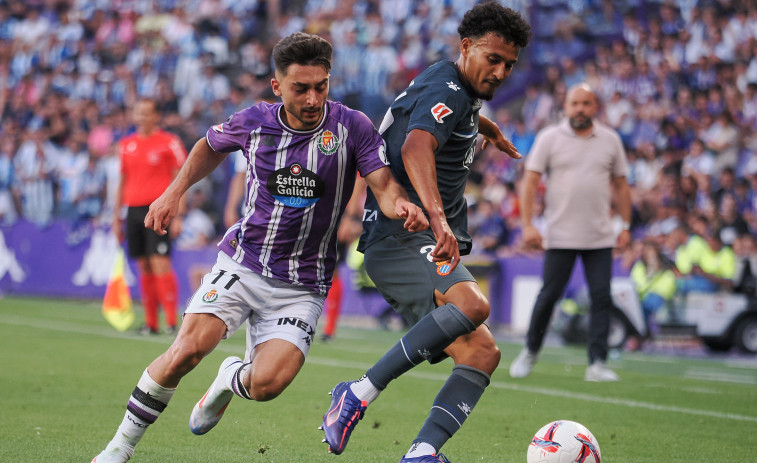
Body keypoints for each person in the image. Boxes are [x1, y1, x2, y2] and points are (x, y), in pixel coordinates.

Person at [92, 32, 428, 463]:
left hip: (304, 284)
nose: (312, 99)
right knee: (186, 351)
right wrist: (174, 192)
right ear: (277, 87)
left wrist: (401, 206)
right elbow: (208, 147)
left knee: (267, 386)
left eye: (320, 87)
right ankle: (118, 449)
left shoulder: (352, 126)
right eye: (300, 88)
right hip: (245, 262)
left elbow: (382, 185)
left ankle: (229, 377)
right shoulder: (255, 121)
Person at [320, 4, 531, 462]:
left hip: (405, 239)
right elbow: (418, 145)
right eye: (492, 59)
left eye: (509, 64)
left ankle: (421, 453)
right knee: (473, 304)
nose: (500, 72)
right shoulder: (450, 89)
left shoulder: (453, 86)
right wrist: (438, 219)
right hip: (400, 238)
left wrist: (485, 127)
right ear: (466, 47)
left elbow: (423, 111)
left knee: (482, 353)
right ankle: (357, 392)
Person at [509, 82, 632, 383]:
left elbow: (621, 185)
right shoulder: (549, 137)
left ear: (595, 107)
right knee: (549, 296)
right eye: (575, 103)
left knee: (602, 298)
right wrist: (527, 225)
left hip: (600, 235)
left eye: (586, 103)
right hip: (560, 234)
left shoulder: (611, 139)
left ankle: (597, 363)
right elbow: (530, 181)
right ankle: (530, 351)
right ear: (565, 107)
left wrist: (626, 225)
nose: (580, 109)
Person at [113, 98, 188, 335]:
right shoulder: (125, 144)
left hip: (159, 209)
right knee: (144, 265)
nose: (142, 117)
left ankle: (172, 321)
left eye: (147, 113)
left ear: (156, 116)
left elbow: (183, 177)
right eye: (139, 113)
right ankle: (151, 323)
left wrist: (179, 214)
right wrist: (117, 217)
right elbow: (122, 181)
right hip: (133, 211)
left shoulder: (170, 142)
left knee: (160, 263)